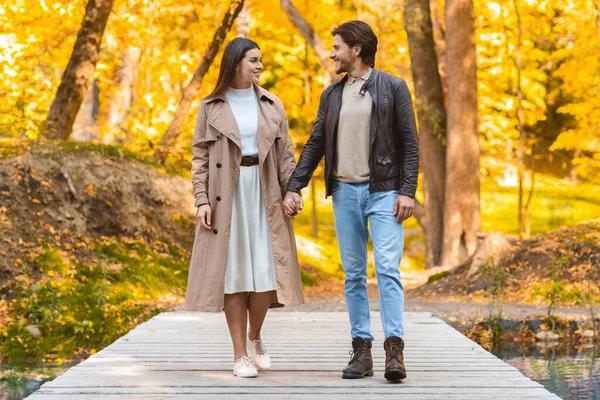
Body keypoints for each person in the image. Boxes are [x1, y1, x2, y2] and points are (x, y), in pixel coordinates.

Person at [283, 21, 419, 381]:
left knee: (388, 269)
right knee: (354, 274)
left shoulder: (393, 87)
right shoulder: (332, 94)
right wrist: (295, 186)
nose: (333, 53)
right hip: (344, 192)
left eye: (338, 47)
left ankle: (395, 352)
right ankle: (362, 350)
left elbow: (409, 143)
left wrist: (408, 190)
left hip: (386, 191)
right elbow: (315, 144)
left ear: (356, 49)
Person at [184, 37, 304, 378]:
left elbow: (285, 155)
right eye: (254, 60)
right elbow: (200, 158)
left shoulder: (271, 103)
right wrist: (202, 200)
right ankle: (240, 353)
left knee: (267, 272)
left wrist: (292, 190)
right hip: (227, 194)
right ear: (237, 62)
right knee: (233, 273)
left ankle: (256, 337)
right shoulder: (211, 106)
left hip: (265, 192)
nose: (260, 66)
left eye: (260, 60)